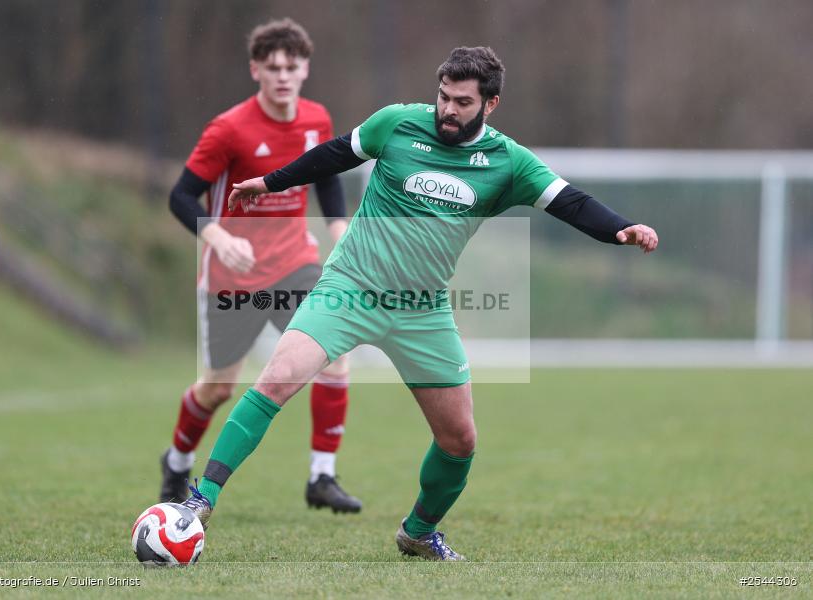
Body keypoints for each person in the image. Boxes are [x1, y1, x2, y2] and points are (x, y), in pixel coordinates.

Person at [179, 46, 658, 560]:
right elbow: (335, 154)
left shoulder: (508, 162)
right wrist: (270, 182)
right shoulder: (398, 123)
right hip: (349, 287)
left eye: (462, 103)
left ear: (491, 104)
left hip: (423, 310)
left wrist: (620, 229)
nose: (447, 110)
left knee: (459, 440)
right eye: (443, 97)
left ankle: (418, 532)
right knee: (275, 381)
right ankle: (199, 501)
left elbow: (570, 202)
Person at [161, 18, 361, 513]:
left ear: (305, 68)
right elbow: (181, 196)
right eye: (273, 68)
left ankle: (322, 476)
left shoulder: (316, 119)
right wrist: (218, 237)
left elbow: (327, 177)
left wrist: (338, 229)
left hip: (296, 264)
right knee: (218, 388)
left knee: (335, 352)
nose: (283, 76)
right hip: (233, 277)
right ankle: (177, 460)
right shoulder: (229, 129)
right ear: (255, 70)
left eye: (292, 67)